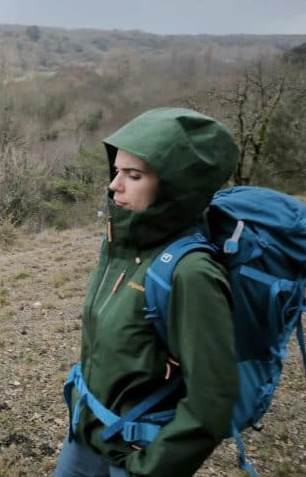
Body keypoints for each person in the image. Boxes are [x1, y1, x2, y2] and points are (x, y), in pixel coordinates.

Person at [53, 108, 240, 477]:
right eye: (117, 171)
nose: (114, 185)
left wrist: (152, 469)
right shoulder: (121, 243)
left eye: (133, 175)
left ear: (174, 187)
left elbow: (212, 401)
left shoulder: (192, 273)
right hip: (87, 432)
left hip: (137, 453)